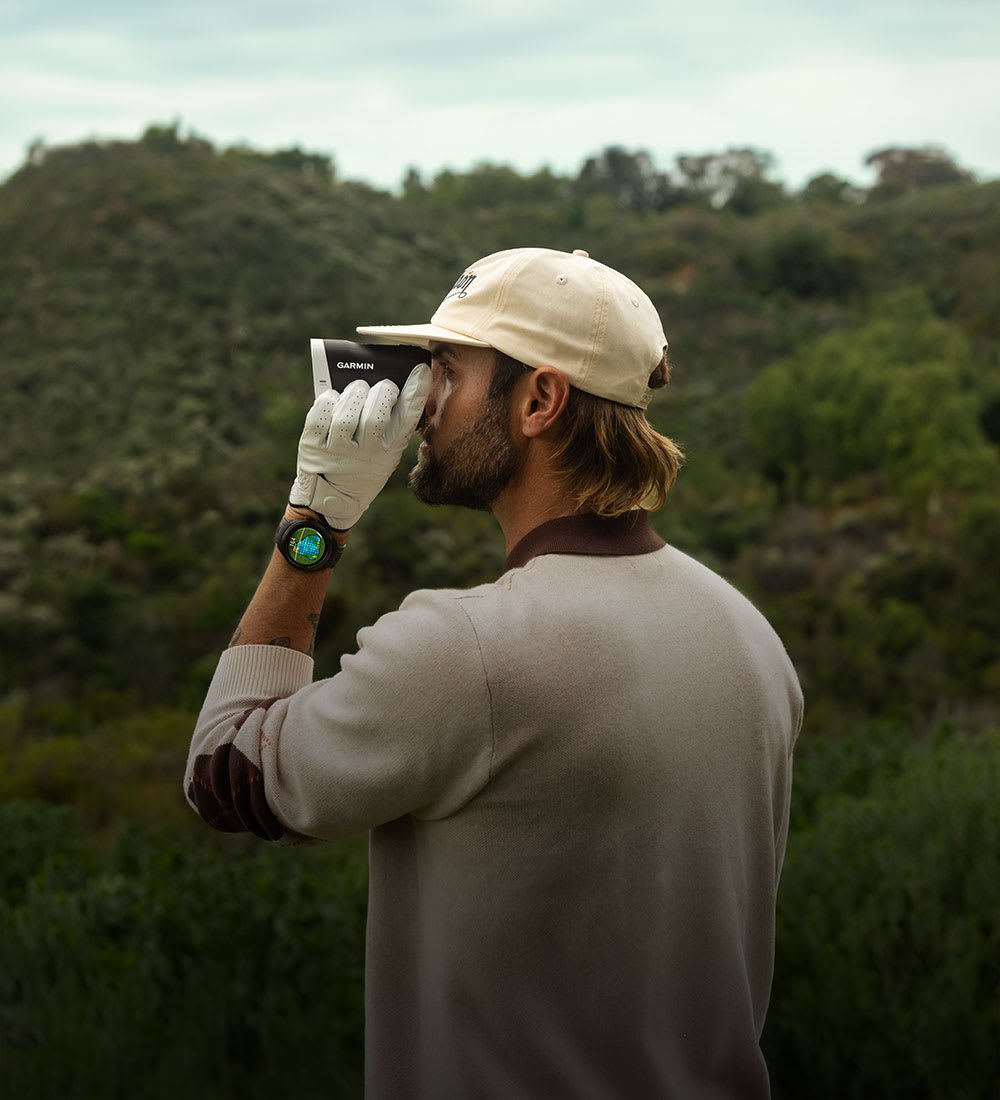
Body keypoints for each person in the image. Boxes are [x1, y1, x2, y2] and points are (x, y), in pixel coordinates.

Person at [185, 246, 803, 1100]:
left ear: (540, 399)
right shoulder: (745, 632)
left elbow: (223, 773)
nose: (421, 402)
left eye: (445, 370)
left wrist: (316, 516)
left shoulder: (464, 647)